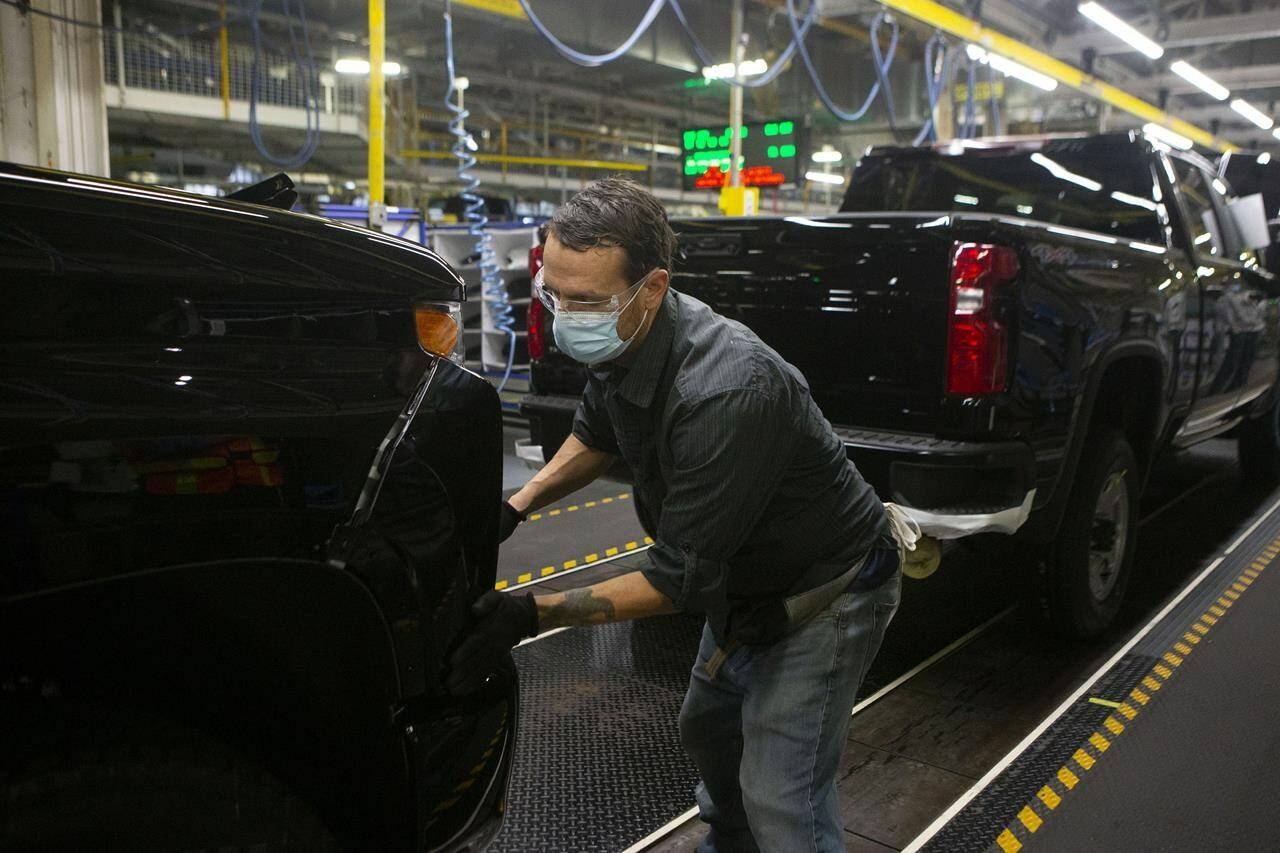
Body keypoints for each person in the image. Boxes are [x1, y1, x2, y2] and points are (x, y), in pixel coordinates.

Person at [447, 177, 914, 852]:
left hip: (826, 588)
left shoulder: (727, 388)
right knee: (710, 730)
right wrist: (515, 506)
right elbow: (595, 435)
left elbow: (676, 580)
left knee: (782, 794)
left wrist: (532, 612)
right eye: (556, 296)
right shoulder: (622, 336)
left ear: (654, 287)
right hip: (739, 579)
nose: (566, 315)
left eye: (586, 301)